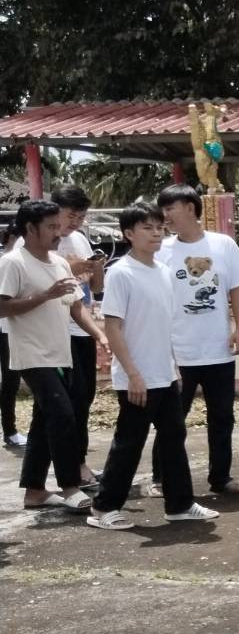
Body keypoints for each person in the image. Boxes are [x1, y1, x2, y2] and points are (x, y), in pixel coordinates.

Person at [87, 202, 218, 529]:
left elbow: (165, 324)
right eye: (148, 227)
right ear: (129, 234)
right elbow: (113, 328)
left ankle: (180, 504)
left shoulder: (162, 271)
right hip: (137, 376)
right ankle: (104, 508)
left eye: (159, 227)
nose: (157, 233)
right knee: (129, 442)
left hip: (163, 373)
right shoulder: (121, 273)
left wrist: (172, 369)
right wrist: (132, 374)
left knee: (174, 437)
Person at [0, 199, 107, 512]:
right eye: (51, 227)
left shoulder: (59, 263)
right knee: (63, 415)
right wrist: (45, 295)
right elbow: (2, 306)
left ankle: (34, 491)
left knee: (44, 420)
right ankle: (70, 485)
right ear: (30, 228)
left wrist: (98, 334)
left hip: (60, 352)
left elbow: (75, 306)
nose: (58, 233)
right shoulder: (13, 262)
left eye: (58, 227)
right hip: (32, 354)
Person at [153, 184, 239, 496]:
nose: (166, 215)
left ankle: (220, 477)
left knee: (222, 416)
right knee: (171, 419)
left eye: (172, 208)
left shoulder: (223, 245)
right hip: (177, 351)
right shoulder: (162, 249)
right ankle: (161, 476)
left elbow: (238, 287)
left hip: (218, 349)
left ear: (192, 209)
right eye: (164, 209)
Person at [54, 186, 105, 483]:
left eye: (81, 216)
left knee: (84, 397)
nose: (75, 222)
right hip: (55, 331)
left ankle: (79, 463)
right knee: (66, 403)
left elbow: (94, 289)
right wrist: (68, 268)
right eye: (71, 215)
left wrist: (95, 268)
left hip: (81, 325)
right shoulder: (37, 241)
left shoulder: (79, 239)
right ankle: (69, 469)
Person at [0, 214, 25, 448]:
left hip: (13, 326)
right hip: (6, 327)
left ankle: (10, 430)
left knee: (12, 381)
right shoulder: (8, 261)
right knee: (9, 381)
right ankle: (9, 430)